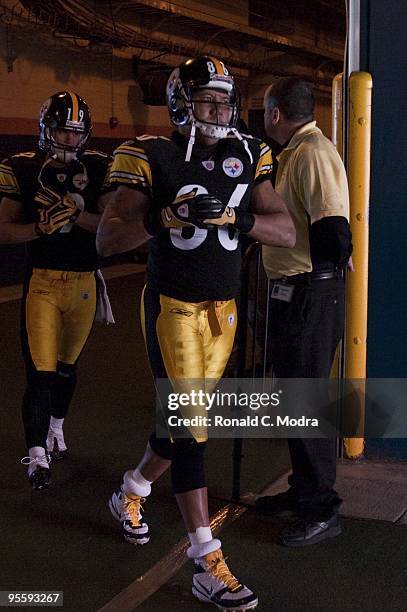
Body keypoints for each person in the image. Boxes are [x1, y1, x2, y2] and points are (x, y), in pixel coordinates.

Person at [97, 56, 295, 610]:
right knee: (191, 433)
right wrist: (165, 217)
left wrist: (235, 219)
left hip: (224, 312)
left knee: (183, 423)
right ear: (182, 99)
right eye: (207, 97)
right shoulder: (150, 153)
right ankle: (206, 560)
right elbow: (108, 240)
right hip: (172, 307)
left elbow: (284, 228)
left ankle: (132, 491)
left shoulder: (247, 153)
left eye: (224, 99)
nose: (219, 108)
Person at [256, 77, 353, 546]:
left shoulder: (313, 152)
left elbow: (332, 224)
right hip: (293, 291)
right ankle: (303, 490)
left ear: (276, 113)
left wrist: (336, 260)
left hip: (311, 292)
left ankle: (322, 510)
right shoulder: (293, 151)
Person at [0, 91, 112, 491]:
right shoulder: (23, 167)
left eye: (75, 132)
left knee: (66, 368)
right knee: (40, 373)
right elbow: (3, 228)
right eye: (62, 130)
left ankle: (56, 429)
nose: (68, 139)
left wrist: (76, 214)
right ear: (46, 129)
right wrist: (39, 228)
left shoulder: (99, 166)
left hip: (83, 282)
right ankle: (36, 455)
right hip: (43, 282)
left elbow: (113, 225)